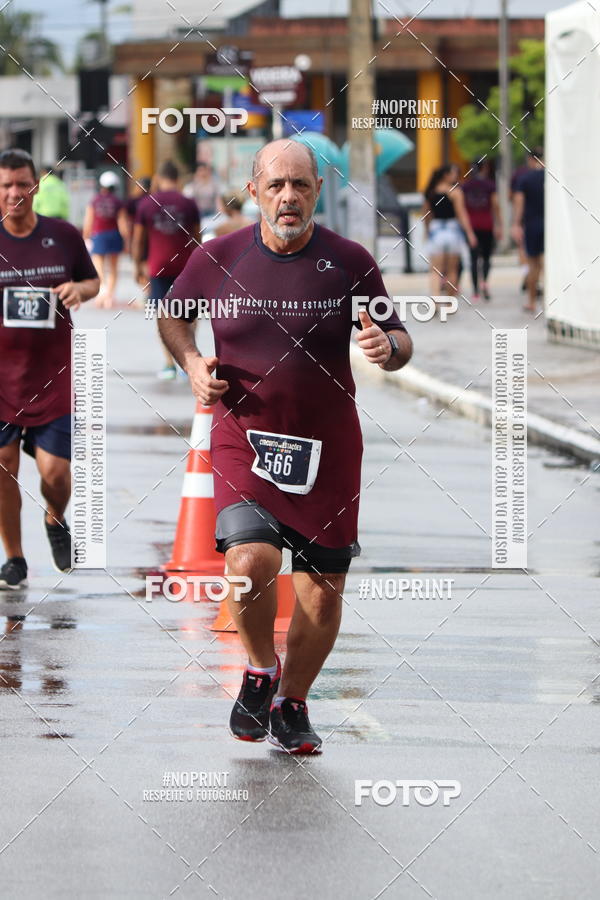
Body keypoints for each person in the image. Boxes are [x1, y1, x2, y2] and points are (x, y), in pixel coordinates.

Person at [158, 139, 413, 753]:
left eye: (301, 185)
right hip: (245, 438)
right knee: (250, 561)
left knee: (322, 592)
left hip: (327, 448)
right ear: (254, 192)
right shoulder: (217, 257)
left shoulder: (349, 261)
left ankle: (292, 702)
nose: (289, 196)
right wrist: (192, 362)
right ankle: (258, 667)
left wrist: (389, 349)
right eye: (276, 186)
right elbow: (172, 314)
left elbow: (399, 337)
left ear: (318, 192)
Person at [0, 149, 99, 589]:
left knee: (56, 475)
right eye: (5, 185)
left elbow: (92, 281)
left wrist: (79, 288)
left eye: (22, 183)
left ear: (36, 185)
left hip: (53, 378)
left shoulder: (63, 235)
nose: (14, 193)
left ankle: (55, 517)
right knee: (3, 468)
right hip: (2, 380)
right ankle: (15, 558)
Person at [132, 160, 201, 380]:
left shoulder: (147, 203)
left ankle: (169, 364)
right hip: (186, 267)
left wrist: (137, 266)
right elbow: (197, 238)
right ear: (178, 179)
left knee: (163, 316)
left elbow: (138, 240)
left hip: (158, 267)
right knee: (189, 314)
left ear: (159, 179)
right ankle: (187, 362)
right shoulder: (189, 204)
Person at [422, 165, 477, 299]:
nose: (456, 177)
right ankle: (449, 302)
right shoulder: (455, 192)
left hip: (436, 231)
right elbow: (461, 214)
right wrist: (470, 233)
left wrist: (427, 231)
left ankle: (435, 300)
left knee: (435, 270)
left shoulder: (430, 192)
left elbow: (426, 215)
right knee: (452, 270)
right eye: (453, 173)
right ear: (445, 175)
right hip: (452, 231)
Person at [82, 170, 128, 308]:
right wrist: (126, 241)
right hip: (114, 236)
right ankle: (110, 296)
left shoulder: (95, 200)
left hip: (99, 236)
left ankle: (103, 291)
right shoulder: (118, 202)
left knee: (99, 267)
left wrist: (85, 235)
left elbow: (88, 220)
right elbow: (122, 224)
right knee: (113, 268)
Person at [462, 160, 502, 300]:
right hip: (487, 225)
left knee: (473, 259)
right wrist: (499, 225)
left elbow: (462, 209)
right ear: (484, 167)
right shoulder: (490, 185)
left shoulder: (465, 187)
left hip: (471, 226)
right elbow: (495, 206)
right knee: (486, 257)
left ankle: (475, 291)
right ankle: (484, 282)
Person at [512, 148, 545, 313]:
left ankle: (532, 301)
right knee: (548, 264)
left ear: (531, 159)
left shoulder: (524, 179)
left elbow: (519, 203)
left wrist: (516, 224)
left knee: (533, 266)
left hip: (531, 225)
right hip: (550, 225)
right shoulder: (551, 177)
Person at [183, 160, 219, 229]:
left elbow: (218, 200)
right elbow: (189, 200)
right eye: (200, 170)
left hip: (211, 213)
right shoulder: (192, 185)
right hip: (198, 214)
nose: (202, 173)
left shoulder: (213, 185)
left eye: (204, 170)